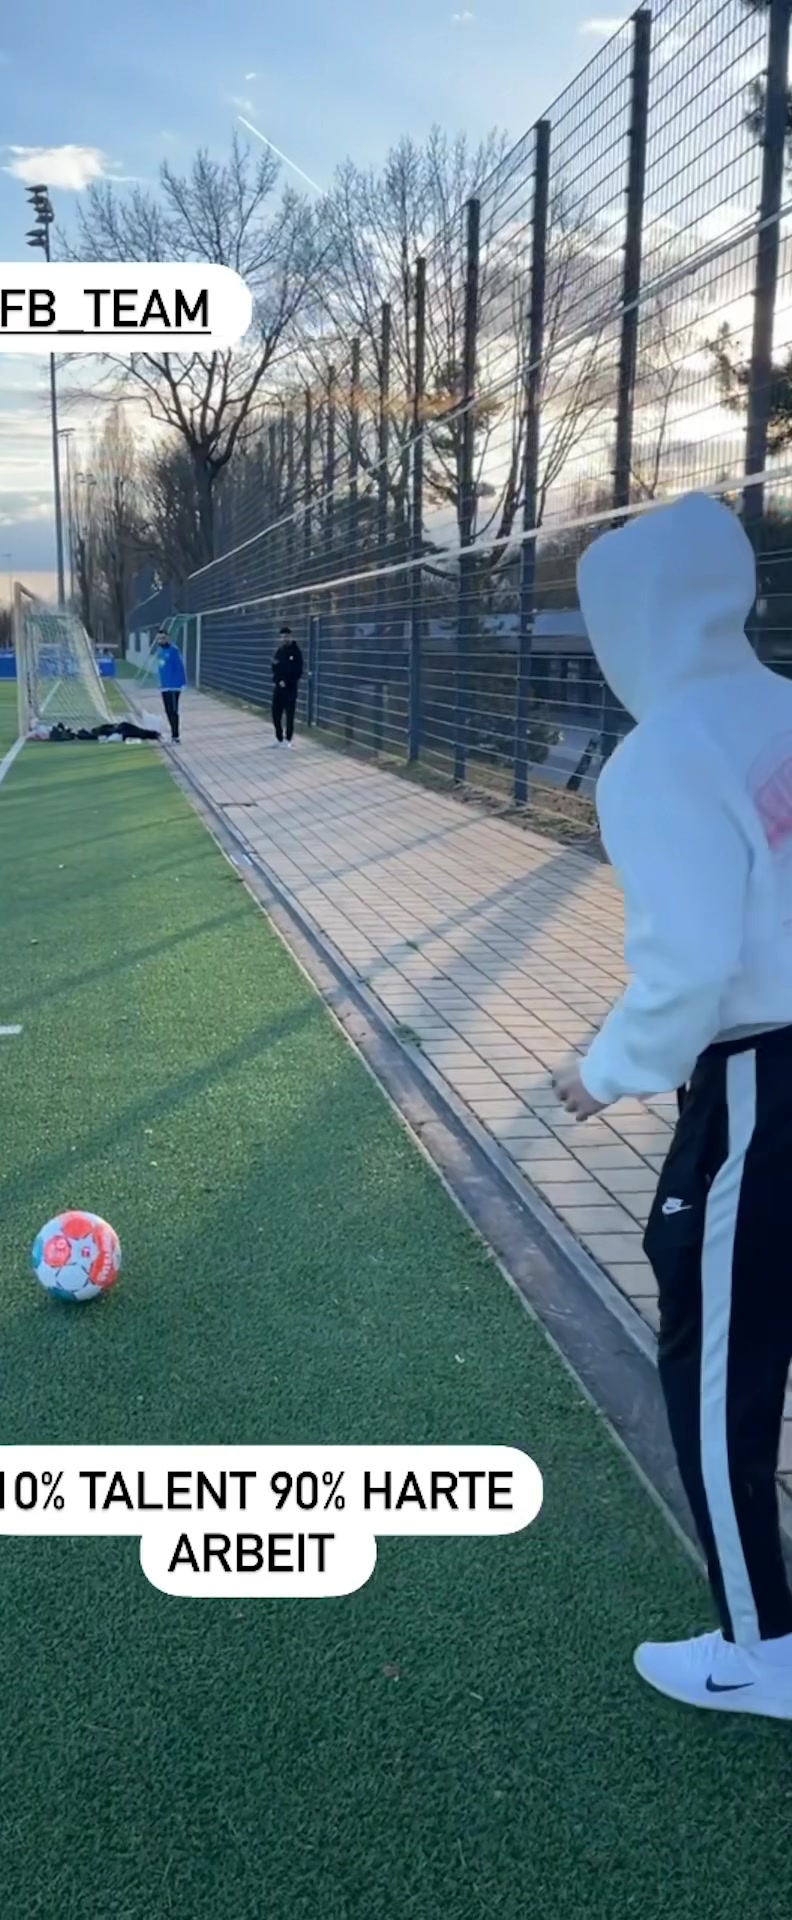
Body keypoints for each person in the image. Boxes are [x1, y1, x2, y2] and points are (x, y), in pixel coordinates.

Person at [553, 490, 792, 1720]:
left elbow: (692, 963)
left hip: (761, 1087)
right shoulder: (784, 708)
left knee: (718, 1361)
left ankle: (760, 1652)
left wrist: (605, 1070)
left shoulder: (663, 755)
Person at [271, 624, 304, 748]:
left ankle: (288, 739)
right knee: (276, 712)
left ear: (291, 636)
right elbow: (275, 667)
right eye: (282, 637)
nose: (284, 639)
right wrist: (278, 680)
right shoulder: (280, 651)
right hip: (279, 687)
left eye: (286, 636)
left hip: (290, 688)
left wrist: (288, 681)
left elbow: (298, 671)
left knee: (289, 714)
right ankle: (279, 738)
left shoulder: (296, 652)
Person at [154, 627, 186, 743]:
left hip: (173, 686)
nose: (161, 641)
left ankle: (175, 735)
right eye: (159, 639)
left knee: (173, 710)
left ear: (168, 638)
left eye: (163, 638)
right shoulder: (159, 651)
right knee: (167, 710)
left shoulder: (173, 650)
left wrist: (182, 683)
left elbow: (180, 666)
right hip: (164, 686)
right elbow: (160, 668)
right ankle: (173, 733)